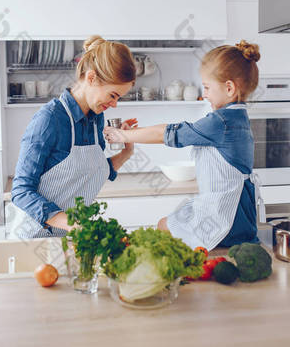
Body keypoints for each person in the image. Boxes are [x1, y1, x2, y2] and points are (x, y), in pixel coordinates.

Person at [104, 40, 265, 250]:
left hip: (225, 216)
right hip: (232, 210)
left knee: (165, 229)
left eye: (207, 87)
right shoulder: (235, 118)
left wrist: (124, 135)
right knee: (165, 226)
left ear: (229, 88)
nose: (204, 93)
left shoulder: (222, 122)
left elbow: (168, 133)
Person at [7, 35, 136, 238]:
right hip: (32, 239)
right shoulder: (49, 120)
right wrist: (73, 225)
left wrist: (127, 151)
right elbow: (21, 192)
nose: (114, 105)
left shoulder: (96, 119)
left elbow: (92, 172)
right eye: (112, 95)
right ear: (91, 78)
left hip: (69, 237)